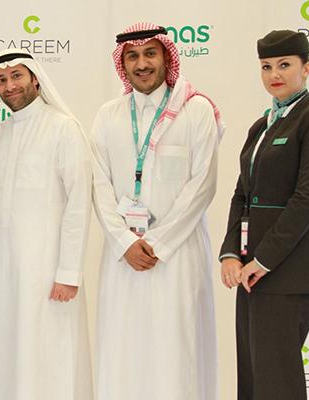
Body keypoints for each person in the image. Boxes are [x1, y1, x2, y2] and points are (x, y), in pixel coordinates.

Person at [0, 48, 93, 399]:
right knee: (4, 349)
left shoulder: (63, 128)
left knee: (49, 352)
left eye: (16, 76)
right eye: (1, 80)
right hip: (3, 268)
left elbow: (79, 204)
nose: (9, 86)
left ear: (35, 79)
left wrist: (69, 273)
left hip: (47, 270)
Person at [89, 22, 224, 399]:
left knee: (177, 350)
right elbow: (98, 185)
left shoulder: (196, 110)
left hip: (178, 257)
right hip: (123, 258)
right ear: (122, 64)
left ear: (167, 57)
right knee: (123, 350)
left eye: (150, 53)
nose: (142, 64)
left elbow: (203, 185)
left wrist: (158, 244)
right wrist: (123, 241)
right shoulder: (108, 115)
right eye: (132, 56)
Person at [219, 30, 309, 400]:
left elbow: (308, 199)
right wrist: (231, 253)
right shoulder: (262, 126)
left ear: (306, 68)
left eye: (284, 65)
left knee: (277, 381)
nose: (274, 74)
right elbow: (241, 195)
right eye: (266, 67)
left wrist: (263, 260)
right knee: (253, 377)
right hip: (252, 272)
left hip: (288, 272)